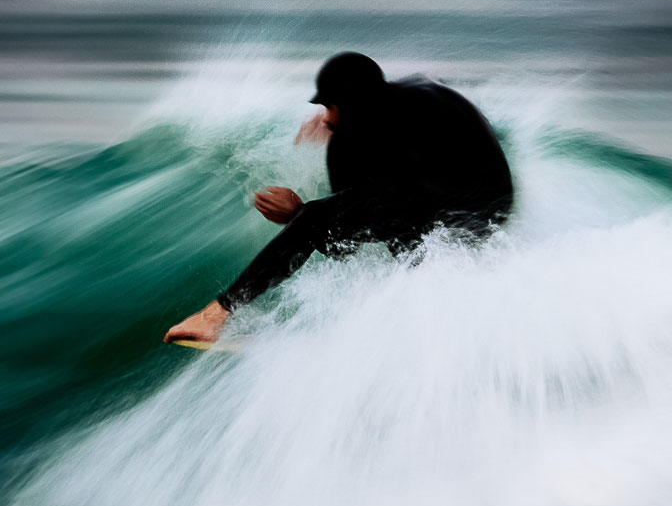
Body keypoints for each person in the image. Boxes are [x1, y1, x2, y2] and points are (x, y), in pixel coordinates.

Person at [164, 52, 513, 344]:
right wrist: (302, 218)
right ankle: (427, 319)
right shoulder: (350, 137)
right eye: (325, 106)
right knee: (376, 220)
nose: (327, 118)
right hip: (432, 196)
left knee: (361, 215)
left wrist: (302, 215)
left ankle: (215, 315)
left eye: (334, 106)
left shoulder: (422, 113)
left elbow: (359, 211)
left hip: (481, 201)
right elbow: (342, 244)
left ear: (360, 103)